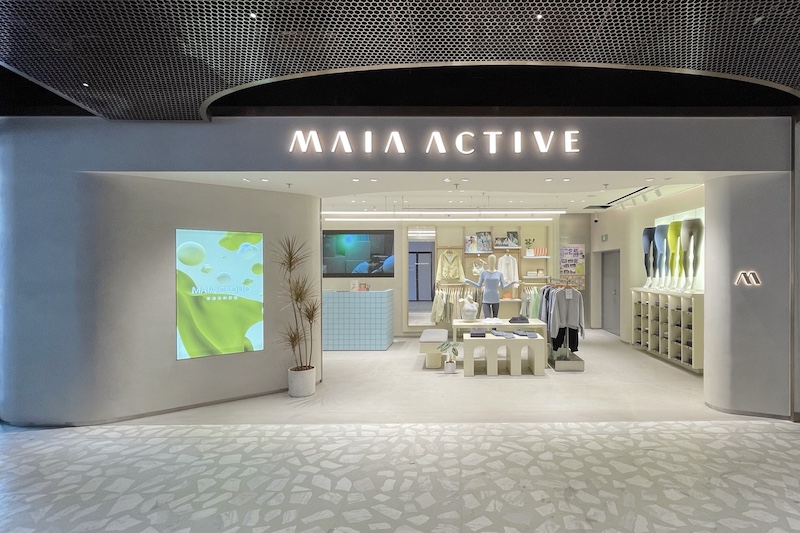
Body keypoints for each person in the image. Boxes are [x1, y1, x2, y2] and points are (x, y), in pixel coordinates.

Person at [462, 254, 517, 319]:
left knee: (495, 319)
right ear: (488, 261)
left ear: (495, 261)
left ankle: (494, 326)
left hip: (495, 298)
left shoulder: (499, 274)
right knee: (487, 319)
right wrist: (468, 281)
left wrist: (513, 282)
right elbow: (478, 286)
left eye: (493, 260)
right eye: (490, 260)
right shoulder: (483, 273)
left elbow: (503, 287)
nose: (492, 262)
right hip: (486, 298)